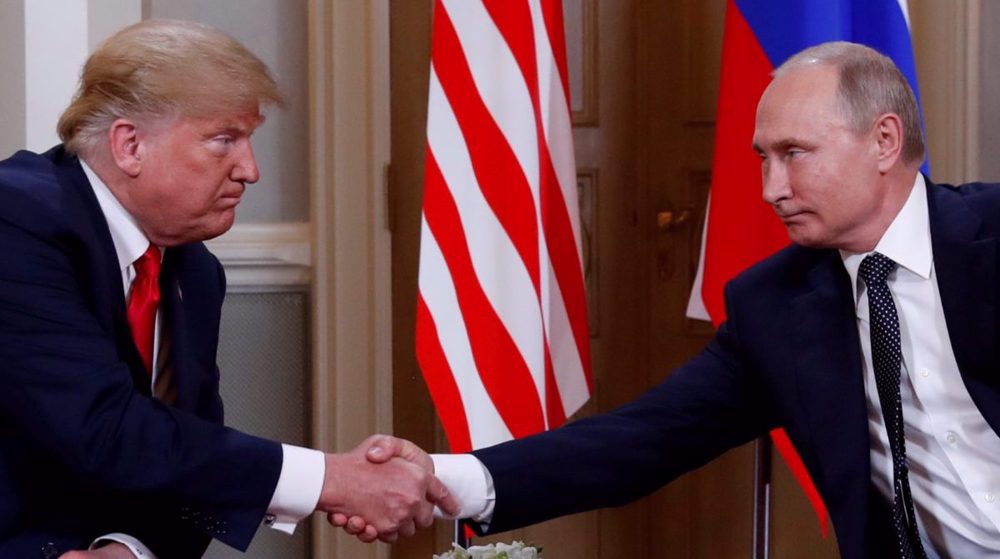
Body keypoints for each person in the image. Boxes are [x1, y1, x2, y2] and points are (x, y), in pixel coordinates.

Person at [346, 41, 1000, 558]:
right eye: (762, 158)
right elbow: (644, 438)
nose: (771, 188)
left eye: (795, 153)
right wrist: (447, 476)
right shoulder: (775, 304)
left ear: (884, 141)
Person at [0, 19, 456, 559]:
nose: (251, 170)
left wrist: (127, 551)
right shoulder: (17, 220)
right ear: (129, 145)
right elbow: (105, 426)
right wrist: (330, 478)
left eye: (250, 139)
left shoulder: (194, 272)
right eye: (224, 140)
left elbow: (186, 462)